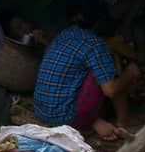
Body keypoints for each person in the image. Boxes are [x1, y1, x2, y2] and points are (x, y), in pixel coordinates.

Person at [33, 10, 139, 139]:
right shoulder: (96, 45)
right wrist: (131, 72)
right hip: (66, 117)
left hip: (42, 111)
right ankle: (122, 120)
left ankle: (100, 120)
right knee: (110, 66)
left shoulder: (65, 34)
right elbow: (110, 90)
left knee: (96, 67)